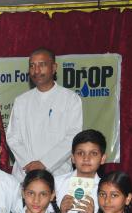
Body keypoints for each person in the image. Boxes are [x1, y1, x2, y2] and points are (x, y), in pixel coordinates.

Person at [6, 48, 83, 182]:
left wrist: (44, 164)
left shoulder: (71, 99)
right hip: (25, 174)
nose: (36, 70)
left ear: (54, 68)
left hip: (58, 175)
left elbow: (73, 137)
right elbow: (13, 137)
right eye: (32, 66)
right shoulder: (21, 101)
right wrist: (30, 164)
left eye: (42, 65)